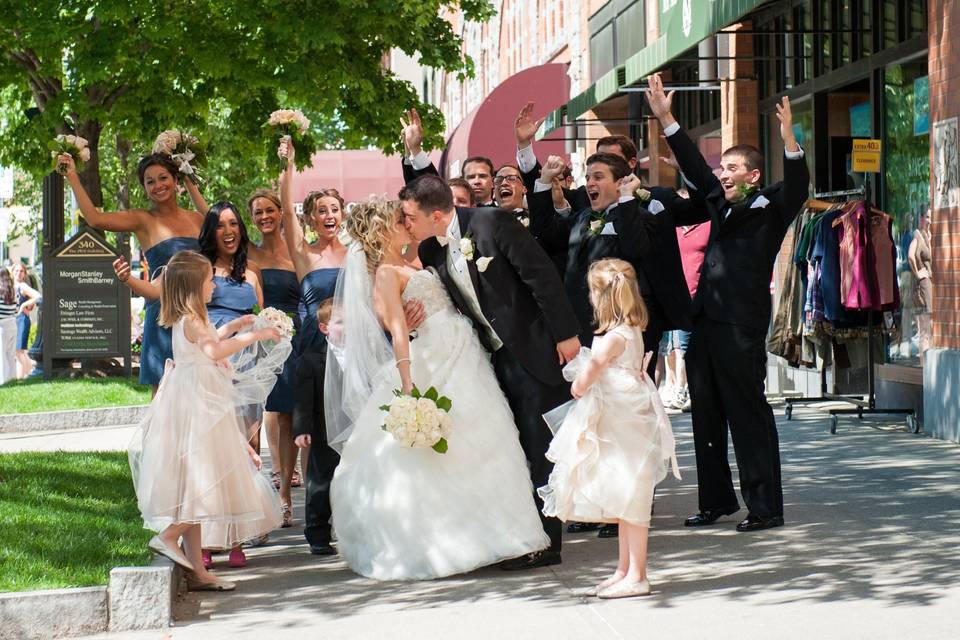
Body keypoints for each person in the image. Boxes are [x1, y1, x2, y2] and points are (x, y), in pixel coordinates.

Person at [327, 197, 552, 580]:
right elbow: (398, 331)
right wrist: (408, 384)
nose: (405, 222)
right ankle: (451, 539)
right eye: (398, 219)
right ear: (382, 229)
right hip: (433, 360)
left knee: (490, 442)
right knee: (447, 452)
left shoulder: (421, 258)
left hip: (466, 355)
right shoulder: (385, 272)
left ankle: (507, 534)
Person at [645, 72, 809, 532]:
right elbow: (698, 171)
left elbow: (797, 184)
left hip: (741, 325)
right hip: (706, 322)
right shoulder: (719, 202)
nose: (723, 175)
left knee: (747, 413)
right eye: (723, 170)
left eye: (732, 169)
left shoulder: (773, 203)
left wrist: (790, 141)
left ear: (753, 174)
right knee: (706, 414)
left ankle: (765, 507)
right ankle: (717, 500)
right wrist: (668, 120)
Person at [403, 175, 582, 570]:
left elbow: (541, 276)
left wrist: (566, 334)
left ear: (435, 214)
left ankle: (547, 541)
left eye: (410, 216)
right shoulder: (431, 248)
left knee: (540, 446)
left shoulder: (490, 223)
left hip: (532, 348)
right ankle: (521, 533)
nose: (406, 223)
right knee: (514, 446)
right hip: (490, 357)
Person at [128, 250, 286, 592]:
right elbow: (214, 352)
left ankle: (198, 571)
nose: (214, 284)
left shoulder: (190, 318)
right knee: (204, 485)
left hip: (195, 402)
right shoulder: (190, 319)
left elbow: (210, 341)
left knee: (196, 484)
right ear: (193, 286)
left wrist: (235, 325)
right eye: (208, 280)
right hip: (198, 408)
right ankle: (169, 537)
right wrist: (256, 336)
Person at [540, 259, 679, 598]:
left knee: (632, 494)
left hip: (623, 419)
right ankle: (625, 569)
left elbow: (592, 372)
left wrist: (577, 387)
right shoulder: (629, 331)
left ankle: (638, 574)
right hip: (628, 414)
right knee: (626, 494)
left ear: (602, 297)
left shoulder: (611, 339)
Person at [58, 152, 203, 392]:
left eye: (163, 177)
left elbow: (219, 226)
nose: (158, 185)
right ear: (145, 188)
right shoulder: (142, 219)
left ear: (176, 180)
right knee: (164, 394)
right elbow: (94, 219)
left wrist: (189, 176)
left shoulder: (197, 219)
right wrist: (72, 175)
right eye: (150, 181)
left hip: (198, 312)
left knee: (199, 392)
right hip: (164, 312)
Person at [292, 298, 339, 555]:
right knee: (320, 480)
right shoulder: (311, 360)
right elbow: (303, 398)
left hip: (355, 429)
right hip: (323, 430)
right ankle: (318, 533)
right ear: (325, 328)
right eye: (340, 323)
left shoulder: (360, 356)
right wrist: (301, 429)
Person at [11, 263, 41, 379]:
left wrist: (24, 305)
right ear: (12, 272)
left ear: (24, 274)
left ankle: (20, 379)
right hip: (13, 321)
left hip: (22, 320)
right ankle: (29, 376)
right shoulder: (10, 286)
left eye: (21, 271)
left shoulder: (22, 286)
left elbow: (38, 296)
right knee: (20, 352)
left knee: (19, 352)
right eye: (16, 271)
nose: (18, 273)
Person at [0, 268, 19, 384]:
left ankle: (2, 381)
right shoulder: (13, 291)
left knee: (1, 357)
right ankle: (12, 380)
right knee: (10, 356)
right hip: (12, 324)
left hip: (1, 326)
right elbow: (16, 310)